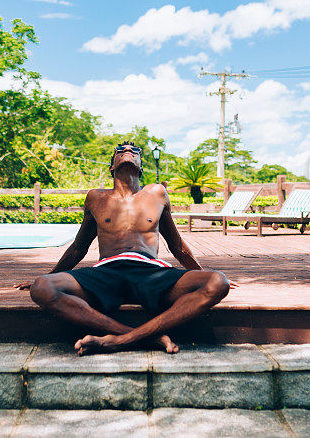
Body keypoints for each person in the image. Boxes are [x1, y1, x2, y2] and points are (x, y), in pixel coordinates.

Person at [15, 142, 235, 355]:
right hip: (106, 272)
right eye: (120, 151)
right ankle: (147, 337)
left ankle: (120, 341)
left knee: (217, 281)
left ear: (140, 166)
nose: (127, 151)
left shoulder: (157, 193)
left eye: (134, 151)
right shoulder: (96, 197)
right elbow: (78, 248)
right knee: (42, 287)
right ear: (112, 166)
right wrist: (48, 275)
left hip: (151, 272)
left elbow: (176, 244)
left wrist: (202, 273)